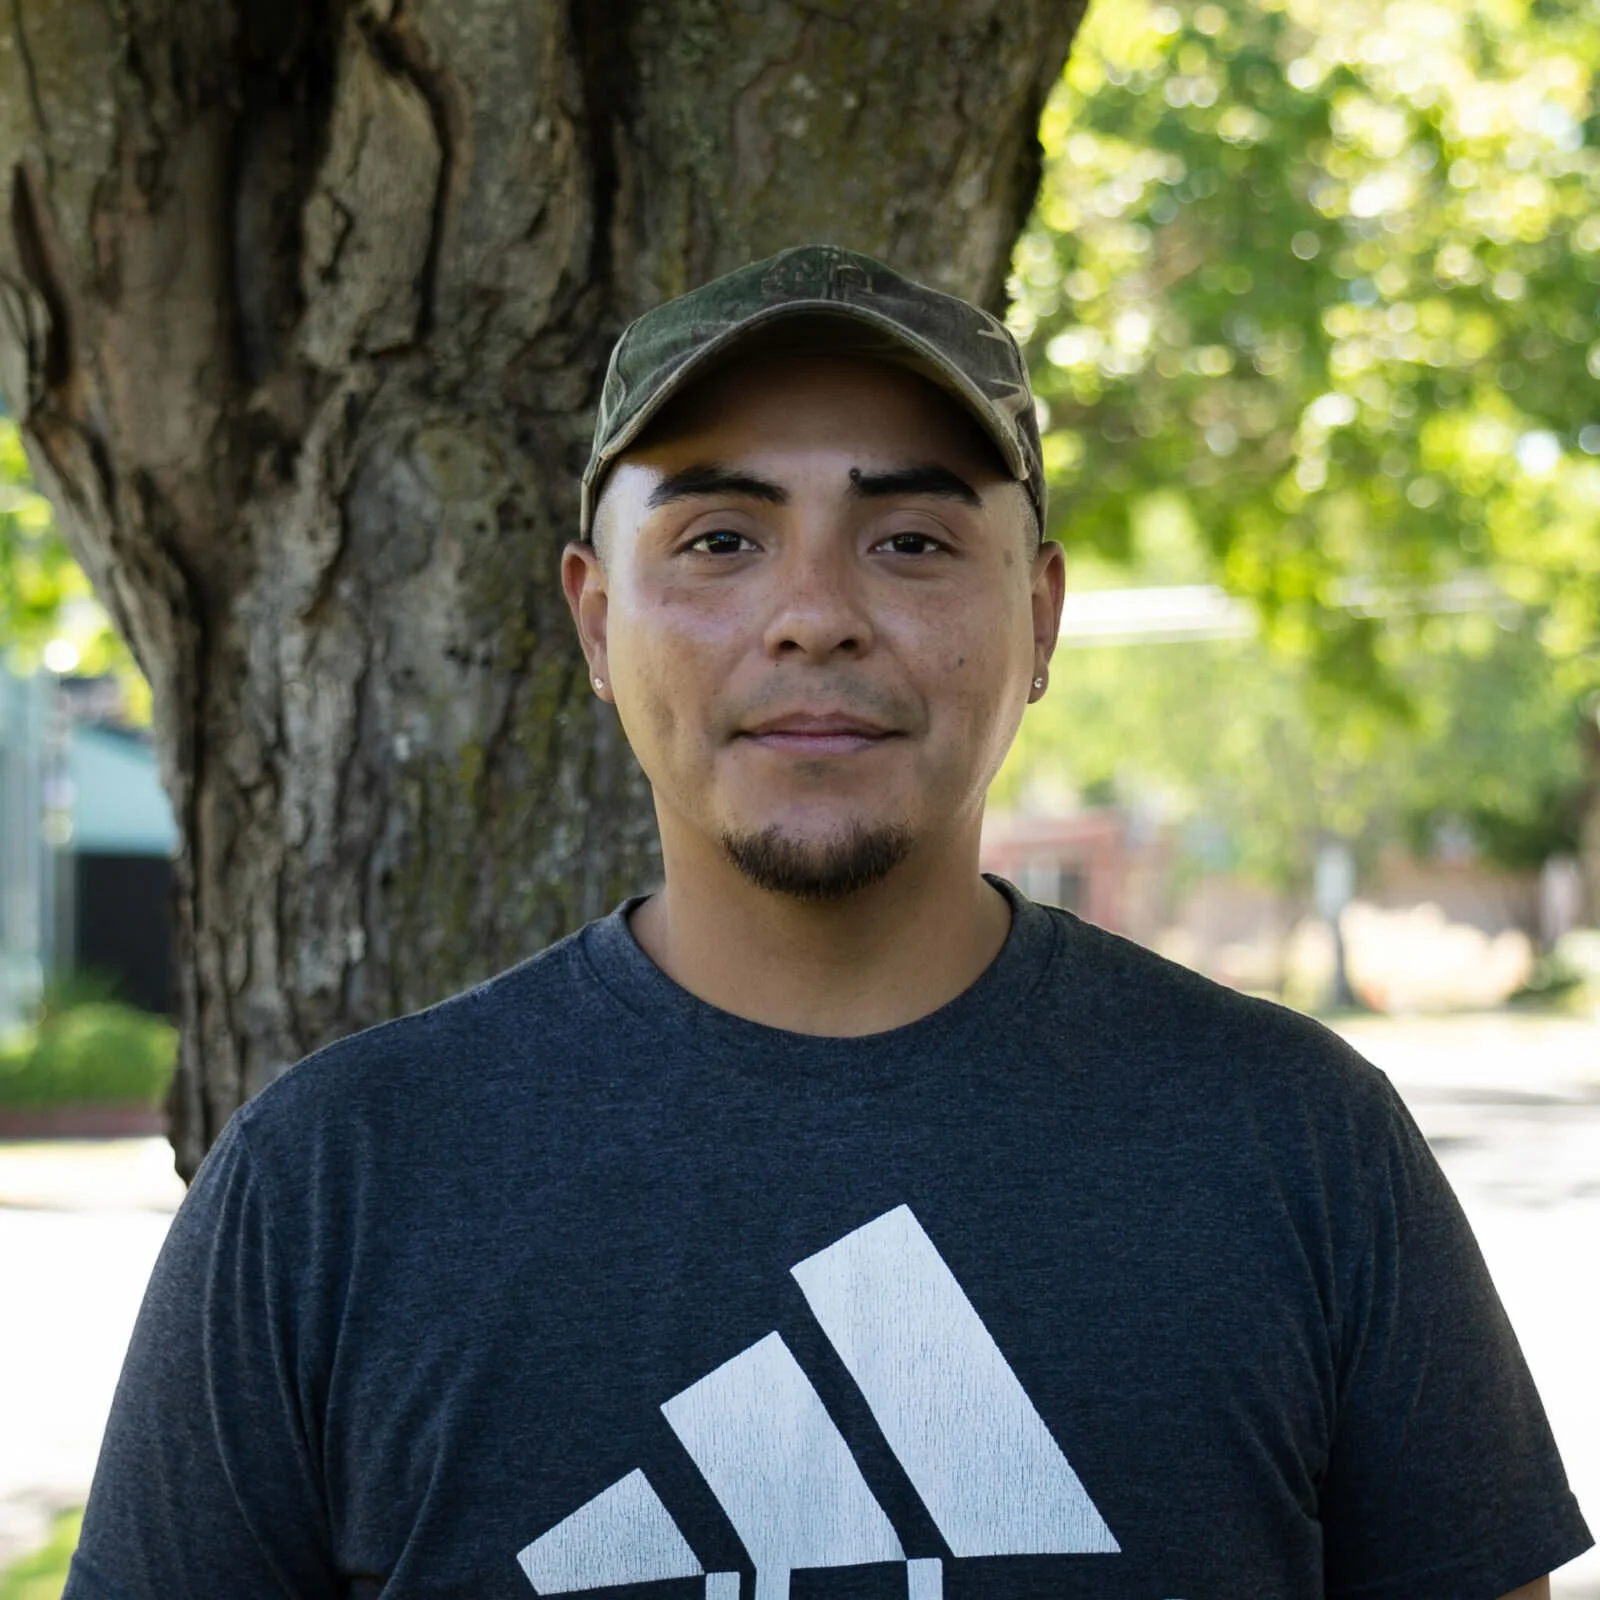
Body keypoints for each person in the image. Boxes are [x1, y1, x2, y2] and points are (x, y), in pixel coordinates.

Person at [65, 245, 1591, 1600]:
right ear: (598, 622)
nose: (814, 612)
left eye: (912, 540)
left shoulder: (1301, 1147)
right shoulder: (336, 1181)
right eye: (721, 540)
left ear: (1042, 618)